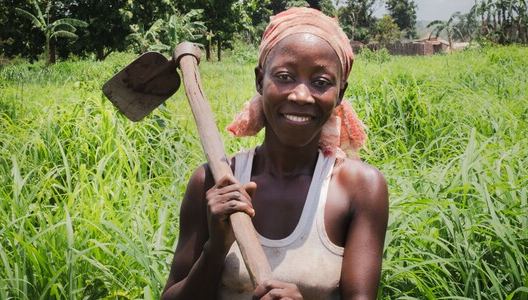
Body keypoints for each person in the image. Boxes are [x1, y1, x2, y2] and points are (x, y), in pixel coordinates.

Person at [161, 7, 388, 300]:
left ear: (340, 93)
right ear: (260, 80)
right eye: (284, 76)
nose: (301, 95)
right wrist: (215, 248)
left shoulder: (360, 188)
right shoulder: (212, 182)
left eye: (320, 82)